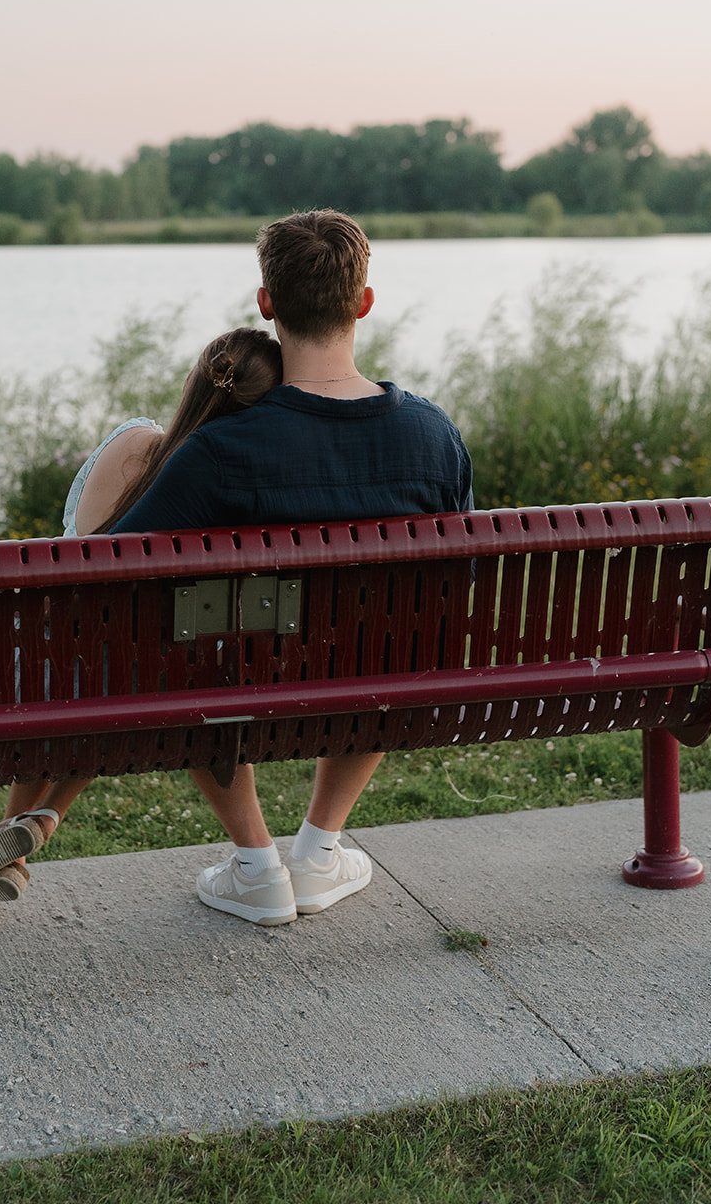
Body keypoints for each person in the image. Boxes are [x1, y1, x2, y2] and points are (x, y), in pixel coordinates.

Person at [108, 209, 473, 927]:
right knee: (389, 631)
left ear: (266, 303)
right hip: (381, 677)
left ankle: (255, 865)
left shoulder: (221, 450)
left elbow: (112, 574)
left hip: (241, 682)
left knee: (184, 637)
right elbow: (449, 588)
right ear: (362, 302)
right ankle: (317, 850)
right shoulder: (432, 435)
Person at [0, 327, 282, 912]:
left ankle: (21, 839)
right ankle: (36, 825)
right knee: (136, 662)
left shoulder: (133, 442)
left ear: (193, 380)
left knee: (94, 658)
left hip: (55, 671)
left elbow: (76, 571)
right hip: (153, 678)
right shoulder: (235, 486)